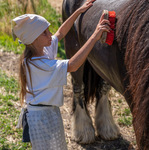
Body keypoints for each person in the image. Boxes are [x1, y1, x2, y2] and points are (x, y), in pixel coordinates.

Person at [12, 0, 111, 149]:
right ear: (34, 39)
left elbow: (61, 33)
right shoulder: (39, 65)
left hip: (49, 111)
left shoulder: (42, 50)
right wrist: (95, 35)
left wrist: (78, 12)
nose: (50, 34)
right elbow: (73, 65)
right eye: (45, 32)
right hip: (40, 118)